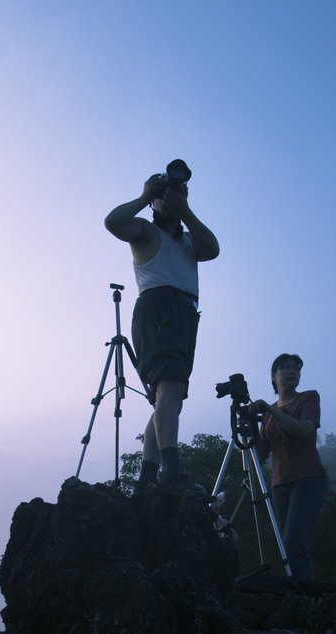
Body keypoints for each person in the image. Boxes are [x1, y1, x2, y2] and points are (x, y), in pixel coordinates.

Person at [104, 165, 219, 494]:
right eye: (164, 194)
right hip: (159, 308)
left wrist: (185, 210)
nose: (170, 198)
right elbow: (113, 222)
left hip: (185, 313)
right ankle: (171, 469)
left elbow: (213, 250)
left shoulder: (188, 241)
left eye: (178, 192)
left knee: (169, 399)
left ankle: (145, 482)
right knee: (167, 389)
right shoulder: (144, 230)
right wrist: (144, 196)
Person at [249, 353, 327, 580]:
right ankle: (298, 594)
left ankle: (305, 600)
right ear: (274, 377)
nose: (293, 371)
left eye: (296, 368)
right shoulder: (267, 414)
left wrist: (270, 410)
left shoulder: (308, 398)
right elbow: (262, 454)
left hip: (308, 479)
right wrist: (253, 426)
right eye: (285, 368)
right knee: (286, 546)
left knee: (294, 542)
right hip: (279, 484)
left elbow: (304, 430)